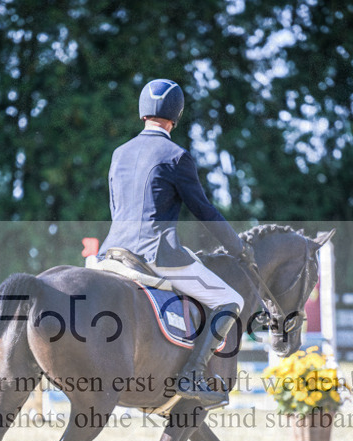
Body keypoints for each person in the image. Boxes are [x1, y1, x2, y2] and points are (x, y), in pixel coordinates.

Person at [98, 78, 250, 407]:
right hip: (156, 256)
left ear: (143, 112)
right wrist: (237, 247)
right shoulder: (176, 156)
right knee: (231, 301)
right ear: (175, 115)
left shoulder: (119, 153)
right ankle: (192, 373)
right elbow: (204, 211)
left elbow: (116, 208)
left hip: (111, 252)